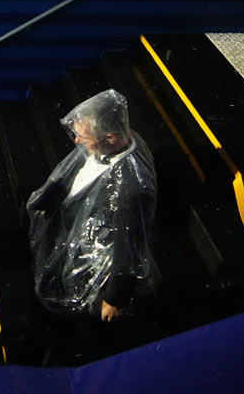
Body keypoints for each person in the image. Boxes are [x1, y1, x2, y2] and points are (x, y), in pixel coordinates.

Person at [26, 89, 158, 323]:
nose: (76, 141)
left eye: (83, 137)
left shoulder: (132, 190)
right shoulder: (118, 139)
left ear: (111, 138)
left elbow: (128, 248)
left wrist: (116, 298)